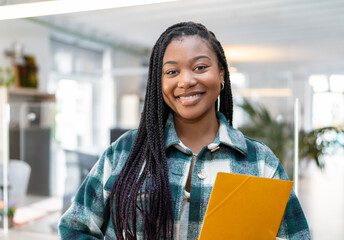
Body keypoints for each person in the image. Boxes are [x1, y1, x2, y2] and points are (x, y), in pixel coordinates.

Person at [58, 21, 310, 240]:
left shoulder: (260, 162)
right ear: (160, 81)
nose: (186, 80)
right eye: (172, 71)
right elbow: (74, 228)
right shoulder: (124, 152)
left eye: (200, 67)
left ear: (221, 73)